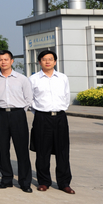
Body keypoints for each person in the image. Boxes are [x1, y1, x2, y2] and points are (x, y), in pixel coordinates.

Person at [29, 50, 74, 194]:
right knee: (43, 151)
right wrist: (40, 112)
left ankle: (64, 183)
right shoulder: (33, 79)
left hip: (60, 117)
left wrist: (59, 109)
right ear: (39, 62)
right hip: (42, 118)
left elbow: (66, 96)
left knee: (63, 151)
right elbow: (29, 99)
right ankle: (44, 182)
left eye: (50, 59)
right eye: (44, 59)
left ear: (55, 62)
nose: (47, 61)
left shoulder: (62, 78)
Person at [0, 50, 33, 192]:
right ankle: (6, 179)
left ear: (12, 61)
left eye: (6, 59)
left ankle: (25, 182)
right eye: (0, 59)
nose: (3, 62)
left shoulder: (22, 79)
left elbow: (28, 99)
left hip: (18, 115)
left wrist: (19, 111)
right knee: (3, 148)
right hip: (0, 115)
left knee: (22, 149)